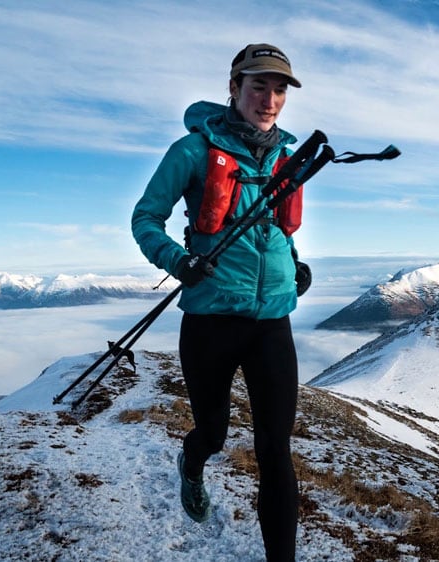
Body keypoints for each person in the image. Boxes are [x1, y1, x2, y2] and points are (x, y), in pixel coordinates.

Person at [131, 43, 304, 562]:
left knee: (276, 449)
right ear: (234, 88)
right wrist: (177, 262)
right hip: (210, 319)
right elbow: (145, 219)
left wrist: (293, 266)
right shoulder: (192, 151)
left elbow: (275, 229)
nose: (269, 99)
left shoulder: (288, 157)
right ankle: (192, 459)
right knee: (214, 430)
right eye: (258, 86)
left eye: (278, 90)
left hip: (273, 320)